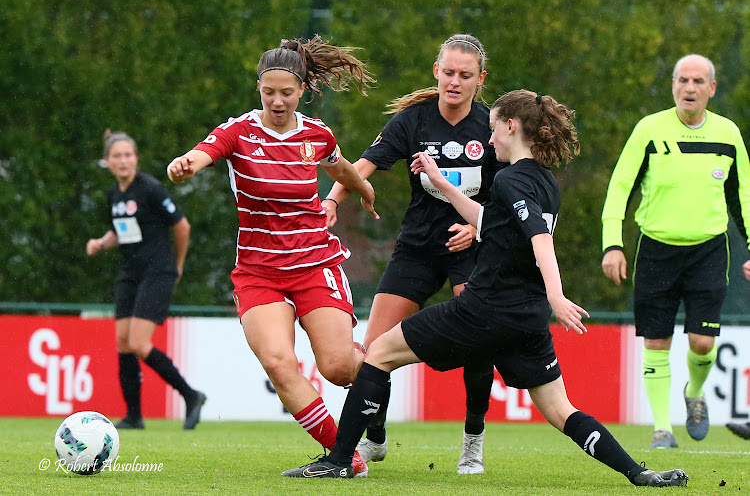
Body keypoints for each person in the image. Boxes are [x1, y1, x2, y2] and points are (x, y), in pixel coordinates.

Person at [282, 90, 689, 487]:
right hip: (526, 321)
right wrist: (441, 182)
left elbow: (539, 240)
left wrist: (557, 295)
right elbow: (489, 220)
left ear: (511, 127)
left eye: (494, 129)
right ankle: (640, 473)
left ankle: (339, 461)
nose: (489, 138)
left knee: (378, 355)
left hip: (482, 310)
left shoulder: (511, 179)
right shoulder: (544, 181)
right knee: (562, 410)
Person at [166, 36, 378, 476]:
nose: (277, 101)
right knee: (280, 365)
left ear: (301, 90)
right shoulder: (238, 131)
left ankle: (377, 390)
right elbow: (202, 154)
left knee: (339, 368)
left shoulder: (316, 134)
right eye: (268, 92)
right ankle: (345, 457)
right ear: (258, 88)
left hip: (315, 264)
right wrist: (184, 164)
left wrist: (363, 190)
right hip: (259, 272)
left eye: (286, 92)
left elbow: (340, 167)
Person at [323, 33, 502, 475]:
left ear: (481, 79)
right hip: (418, 250)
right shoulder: (413, 121)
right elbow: (362, 165)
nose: (454, 82)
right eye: (448, 73)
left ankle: (472, 443)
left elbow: (511, 193)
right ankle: (375, 438)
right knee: (373, 349)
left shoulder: (493, 127)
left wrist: (477, 226)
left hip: (472, 251)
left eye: (465, 75)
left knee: (479, 344)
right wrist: (331, 202)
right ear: (435, 72)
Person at [601, 54, 750, 449]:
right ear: (672, 85)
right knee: (657, 342)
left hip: (709, 252)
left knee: (702, 343)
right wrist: (612, 244)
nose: (689, 88)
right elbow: (620, 189)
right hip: (656, 251)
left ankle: (695, 393)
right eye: (682, 80)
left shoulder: (728, 133)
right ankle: (662, 430)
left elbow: (743, 196)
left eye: (698, 81)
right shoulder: (649, 130)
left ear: (712, 89)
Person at [86, 130, 206, 430]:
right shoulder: (115, 195)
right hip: (131, 272)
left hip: (158, 270)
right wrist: (101, 242)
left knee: (140, 343)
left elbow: (182, 225)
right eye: (117, 156)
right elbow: (122, 230)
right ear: (107, 162)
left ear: (136, 159)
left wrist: (177, 266)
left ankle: (191, 396)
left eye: (128, 155)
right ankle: (134, 416)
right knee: (124, 343)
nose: (123, 161)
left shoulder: (150, 188)